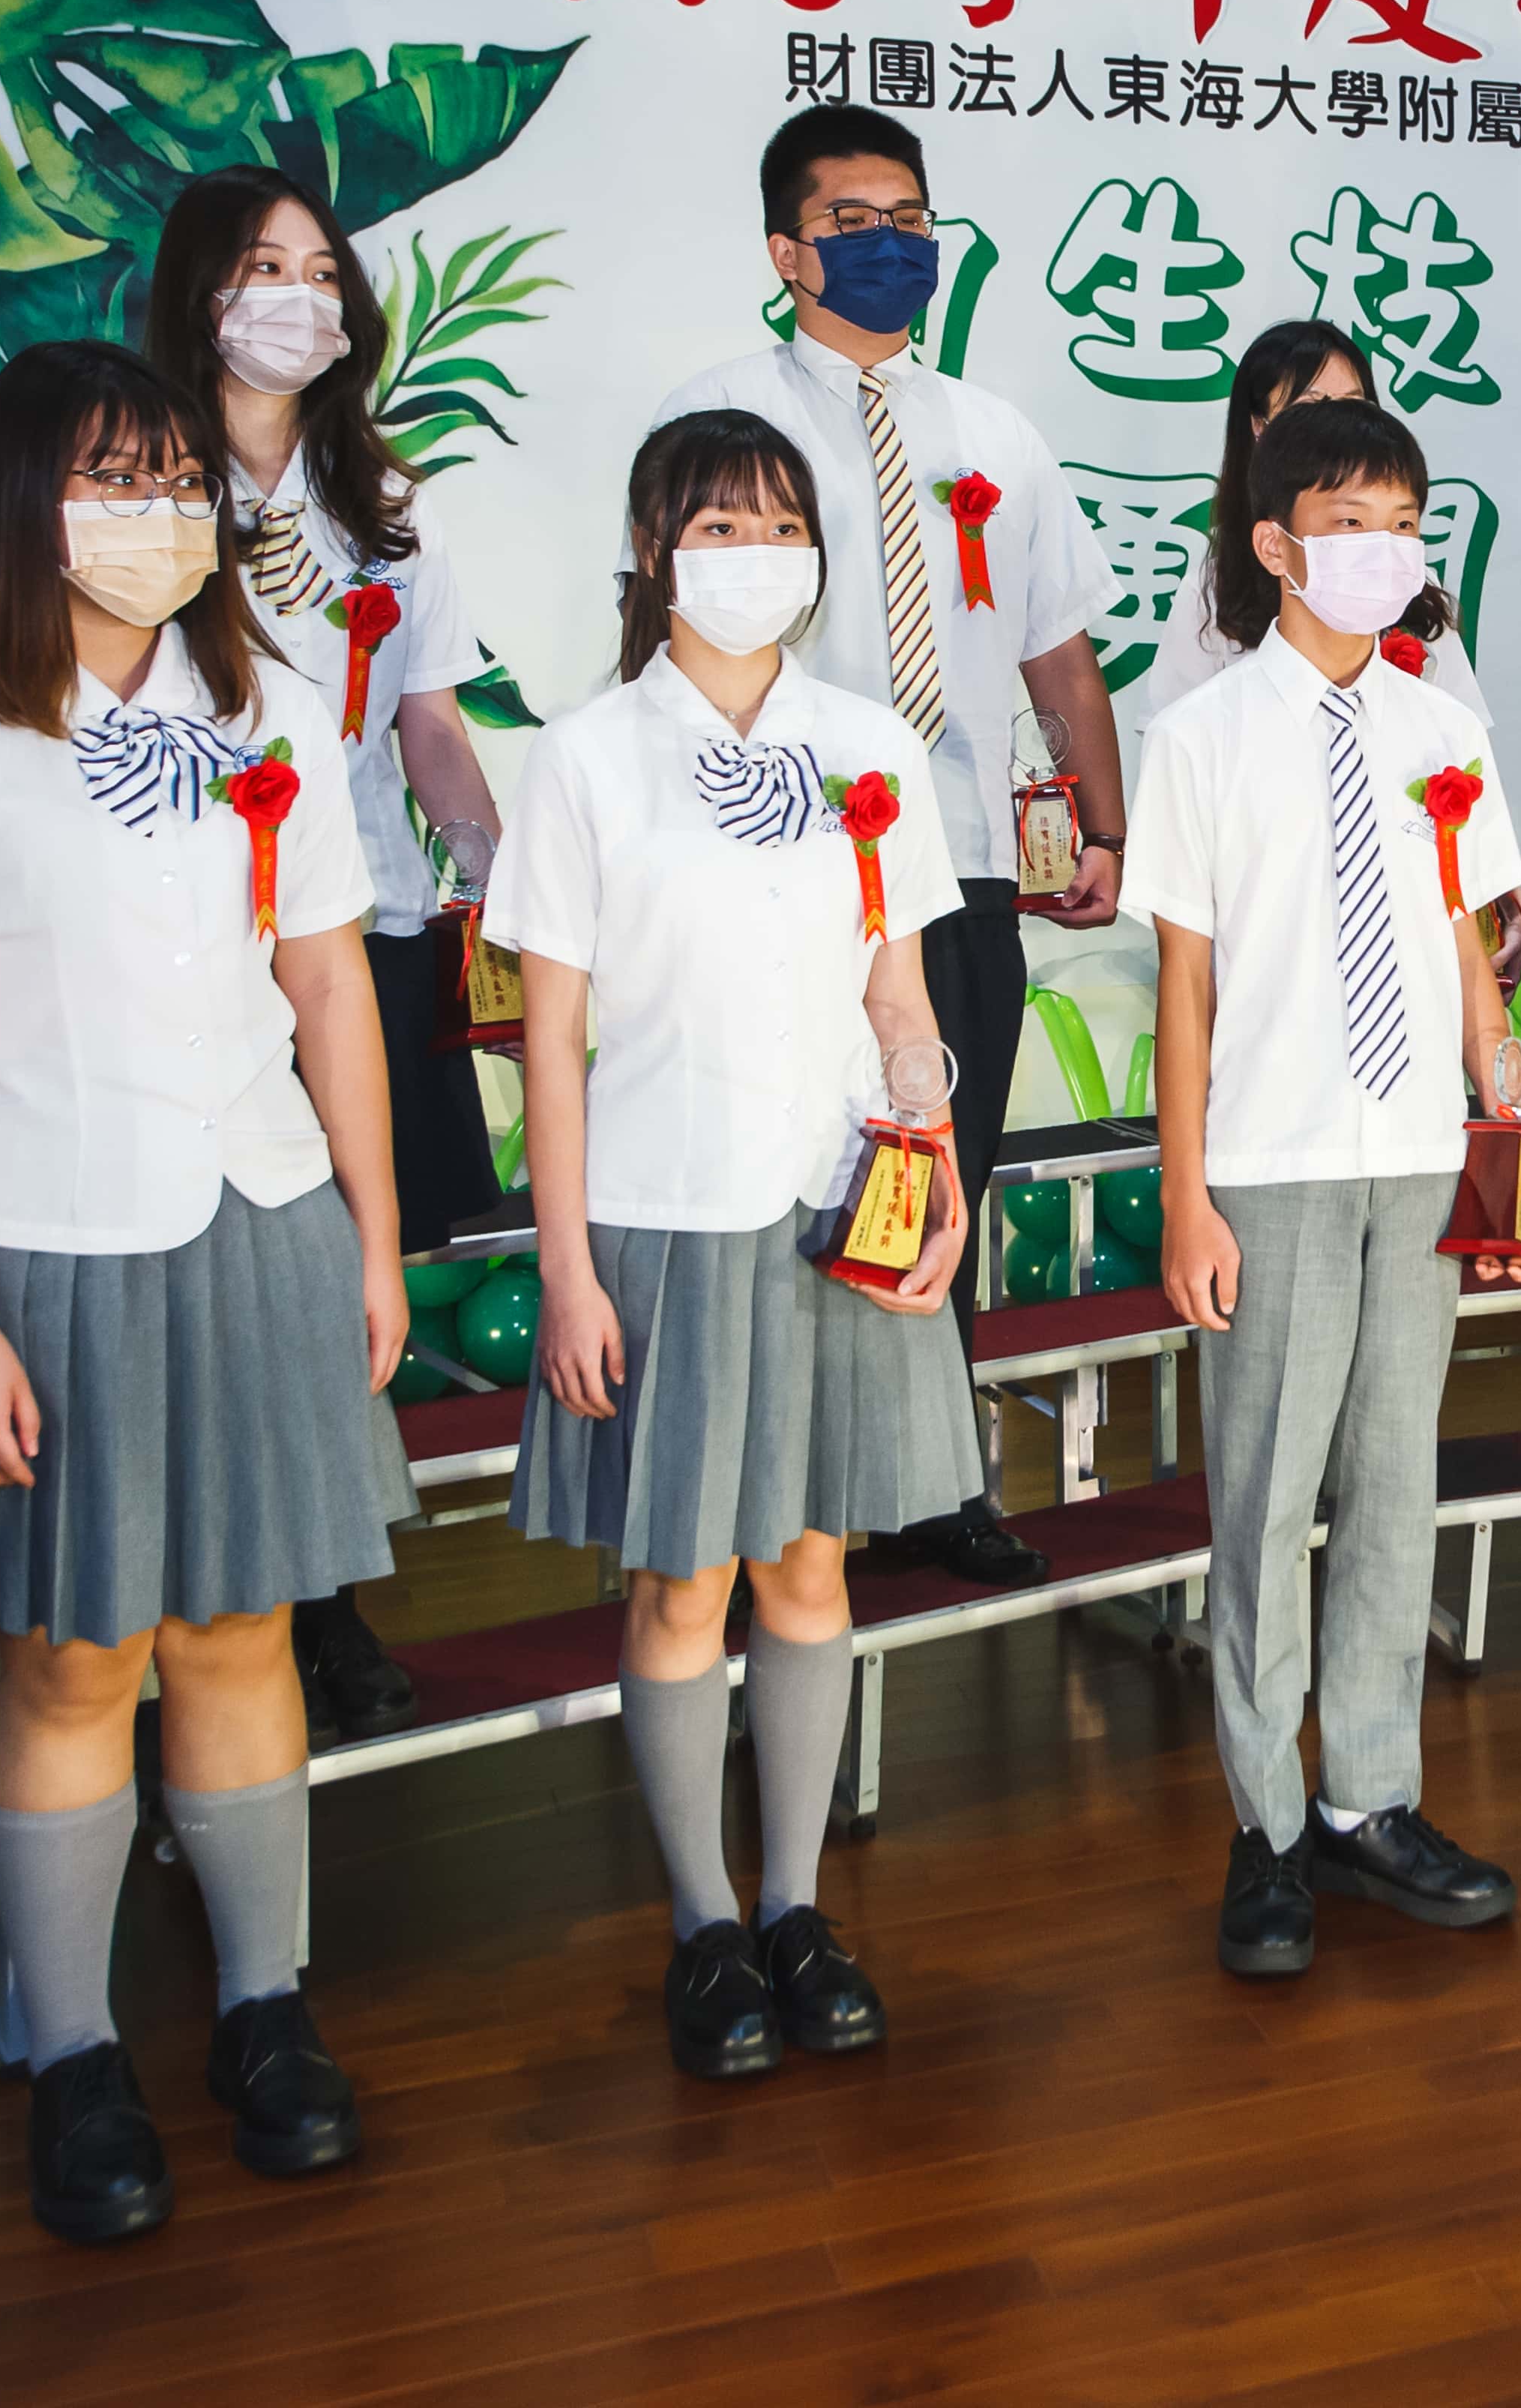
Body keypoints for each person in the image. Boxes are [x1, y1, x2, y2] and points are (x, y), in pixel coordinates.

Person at [0, 339, 407, 2246]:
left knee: (241, 1630)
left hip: (258, 1212)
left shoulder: (274, 707)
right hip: (43, 1244)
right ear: (24, 501)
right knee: (74, 1655)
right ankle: (70, 2047)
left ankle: (265, 2006)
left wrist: (373, 1237)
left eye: (175, 477)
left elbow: (329, 984)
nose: (157, 511)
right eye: (112, 476)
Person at [492, 406, 984, 2077]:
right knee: (681, 1576)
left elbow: (896, 995)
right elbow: (551, 1041)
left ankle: (796, 1903)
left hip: (837, 1201)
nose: (754, 554)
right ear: (652, 552)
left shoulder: (869, 744)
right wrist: (568, 1268)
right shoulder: (586, 757)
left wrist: (934, 1151)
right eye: (716, 526)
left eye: (781, 524)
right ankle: (702, 1920)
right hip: (665, 1216)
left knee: (811, 1564)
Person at [657, 105, 1127, 1590]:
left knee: (943, 1160)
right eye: (851, 222)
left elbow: (1058, 653)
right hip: (779, 862)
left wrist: (1102, 820)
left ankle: (933, 1483)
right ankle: (780, 1492)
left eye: (910, 218)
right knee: (790, 1166)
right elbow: (659, 636)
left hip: (959, 855)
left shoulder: (995, 434)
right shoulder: (723, 421)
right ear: (786, 251)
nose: (890, 243)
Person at [1141, 395, 1521, 1976]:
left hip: (1420, 1158)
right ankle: (1267, 1825)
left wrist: (1505, 1122)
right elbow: (1184, 986)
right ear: (1277, 544)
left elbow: (1471, 954)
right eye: (1348, 523)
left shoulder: (1445, 731)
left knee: (1391, 1486)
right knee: (1265, 1500)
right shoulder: (1204, 735)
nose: (1382, 550)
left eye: (1403, 523)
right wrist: (1188, 1196)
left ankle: (1372, 1797)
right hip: (1275, 1163)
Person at [140, 164, 497, 1745]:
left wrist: (497, 871)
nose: (299, 297)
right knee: (227, 1278)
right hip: (197, 948)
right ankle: (195, 1621)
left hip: (365, 934)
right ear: (197, 293)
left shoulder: (387, 506)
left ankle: (329, 1597)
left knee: (355, 1270)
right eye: (261, 267)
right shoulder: (136, 485)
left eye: (319, 270)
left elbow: (431, 723)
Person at [1133, 320, 1521, 983]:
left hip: (1410, 920)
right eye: (1310, 407)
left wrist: (1493, 885)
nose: (1337, 425)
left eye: (1354, 404)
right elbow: (1173, 752)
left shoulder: (1407, 578)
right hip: (1267, 926)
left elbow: (1465, 755)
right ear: (1259, 430)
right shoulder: (1215, 583)